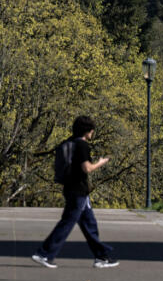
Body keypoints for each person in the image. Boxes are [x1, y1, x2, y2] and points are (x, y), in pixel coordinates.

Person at [32, 115, 118, 269]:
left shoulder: (69, 142)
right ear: (87, 131)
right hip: (79, 190)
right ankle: (44, 253)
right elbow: (87, 168)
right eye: (91, 130)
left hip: (71, 188)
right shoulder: (82, 145)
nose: (92, 133)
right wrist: (101, 163)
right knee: (67, 223)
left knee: (89, 224)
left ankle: (101, 256)